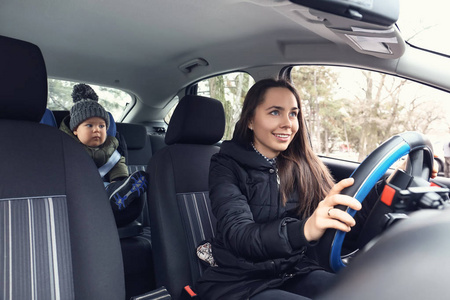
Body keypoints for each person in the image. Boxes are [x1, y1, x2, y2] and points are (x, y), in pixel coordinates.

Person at [195, 78, 382, 300]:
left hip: (295, 271)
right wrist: (304, 230)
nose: (288, 123)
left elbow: (339, 216)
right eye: (275, 112)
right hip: (240, 282)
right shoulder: (225, 165)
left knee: (362, 292)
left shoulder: (302, 164)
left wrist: (385, 191)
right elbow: (239, 236)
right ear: (250, 121)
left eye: (293, 114)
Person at [60, 98, 148, 213]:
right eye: (89, 125)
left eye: (102, 126)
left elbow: (118, 164)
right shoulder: (66, 146)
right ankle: (115, 193)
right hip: (77, 188)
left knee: (108, 187)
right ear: (75, 130)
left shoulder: (111, 147)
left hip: (104, 187)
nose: (97, 130)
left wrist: (118, 180)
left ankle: (120, 191)